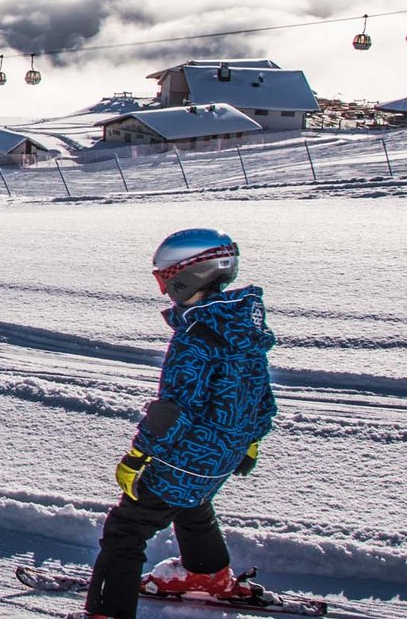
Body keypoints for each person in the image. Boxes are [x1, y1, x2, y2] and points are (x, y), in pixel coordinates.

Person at [82, 228, 277, 618]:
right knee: (192, 502)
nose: (165, 288)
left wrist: (139, 456)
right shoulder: (241, 326)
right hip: (224, 454)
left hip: (181, 458)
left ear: (187, 275)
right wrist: (251, 441)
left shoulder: (195, 336)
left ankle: (106, 613)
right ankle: (209, 576)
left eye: (165, 278)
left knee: (125, 531)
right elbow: (260, 393)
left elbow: (174, 409)